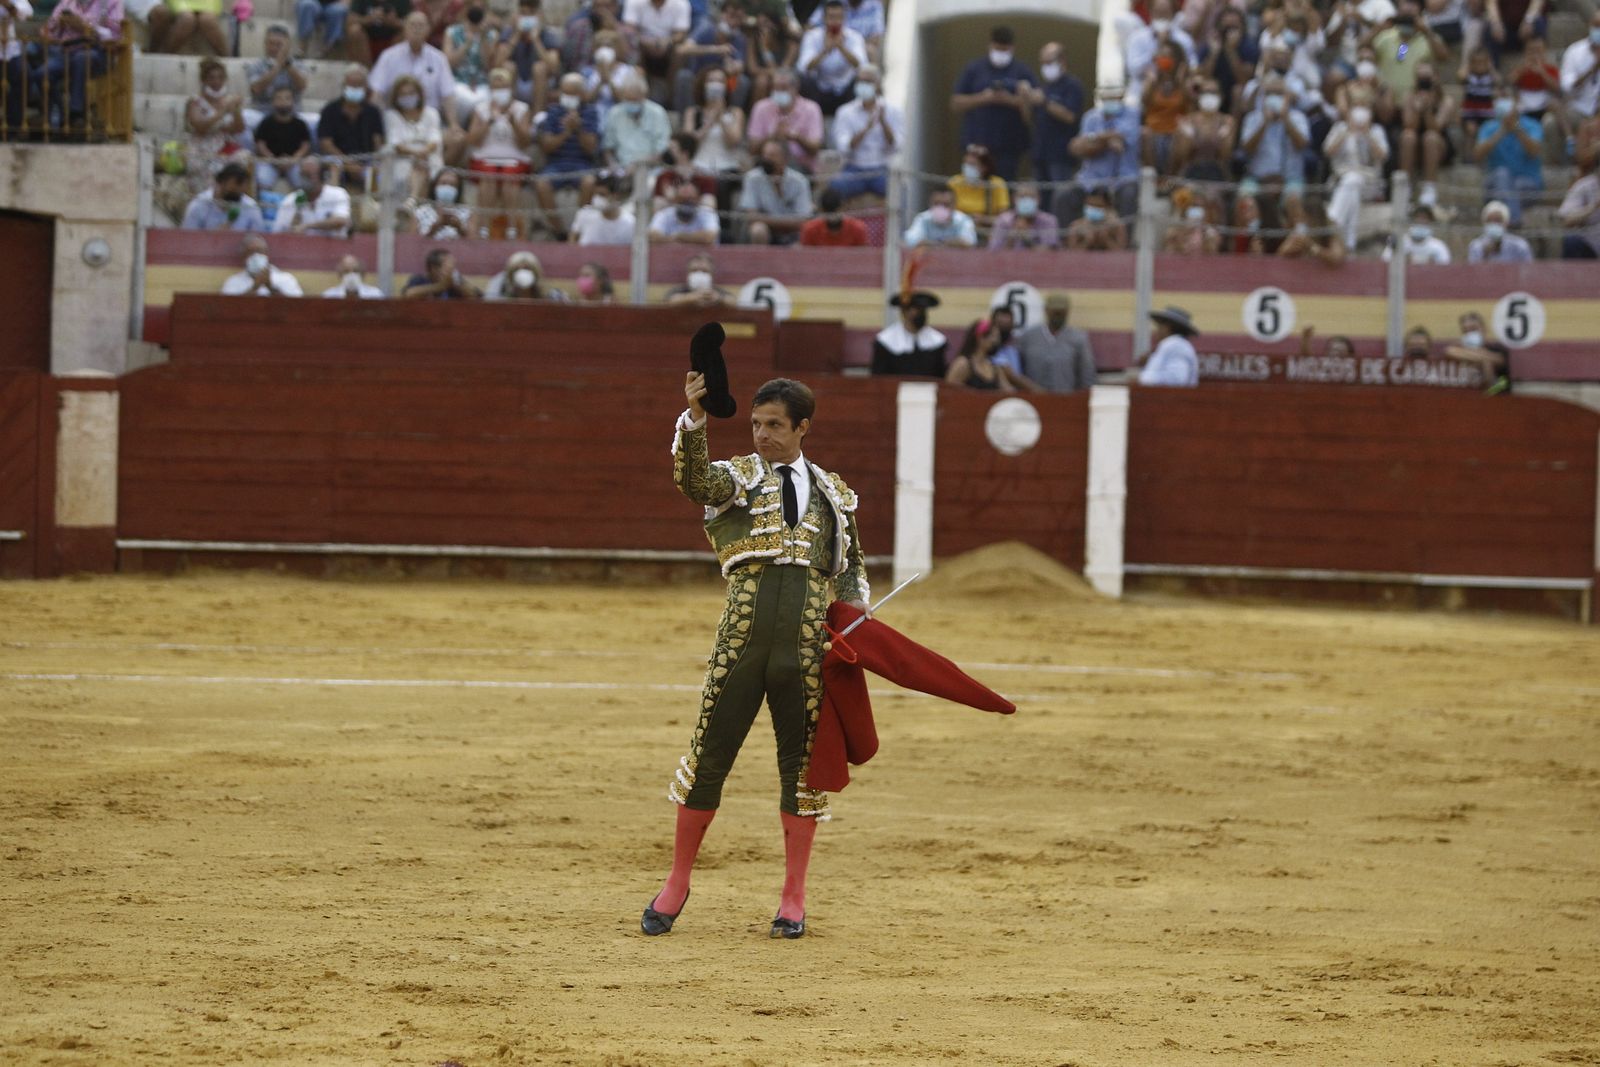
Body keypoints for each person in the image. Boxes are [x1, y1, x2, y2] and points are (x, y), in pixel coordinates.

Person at [643, 375, 870, 941]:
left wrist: (858, 625)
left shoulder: (835, 494)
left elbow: (850, 572)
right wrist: (694, 419)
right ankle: (676, 882)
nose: (762, 435)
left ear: (802, 428)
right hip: (739, 646)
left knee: (802, 771)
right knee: (708, 756)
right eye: (755, 425)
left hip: (804, 652)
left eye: (774, 425)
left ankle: (793, 897)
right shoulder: (738, 477)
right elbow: (694, 479)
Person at [370, 12, 463, 165]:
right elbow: (377, 93)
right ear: (404, 28)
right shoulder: (388, 56)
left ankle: (436, 177)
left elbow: (448, 94)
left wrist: (453, 124)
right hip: (397, 119)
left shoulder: (439, 58)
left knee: (458, 140)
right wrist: (376, 124)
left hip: (428, 119)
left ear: (428, 29)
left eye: (421, 26)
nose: (417, 29)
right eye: (413, 25)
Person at [949, 25, 1035, 181]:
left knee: (1004, 188)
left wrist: (1010, 100)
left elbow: (1032, 112)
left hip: (1010, 146)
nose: (1001, 54)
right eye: (998, 49)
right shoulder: (974, 69)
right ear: (990, 45)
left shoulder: (1022, 72)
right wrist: (984, 98)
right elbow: (956, 103)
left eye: (1005, 50)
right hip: (977, 144)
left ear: (1012, 48)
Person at [465, 65, 534, 238]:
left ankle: (512, 227)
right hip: (486, 156)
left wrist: (513, 123)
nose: (499, 91)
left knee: (510, 177)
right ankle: (483, 226)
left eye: (503, 87)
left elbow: (526, 142)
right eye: (495, 88)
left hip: (513, 157)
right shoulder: (481, 109)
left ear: (510, 88)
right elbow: (472, 140)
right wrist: (488, 121)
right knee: (488, 176)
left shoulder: (522, 109)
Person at [533, 72, 603, 229]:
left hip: (582, 164)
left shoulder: (590, 112)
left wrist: (578, 129)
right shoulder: (553, 112)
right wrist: (565, 132)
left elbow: (591, 148)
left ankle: (578, 228)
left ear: (581, 94)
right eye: (565, 93)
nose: (567, 97)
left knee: (589, 182)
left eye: (572, 94)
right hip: (556, 164)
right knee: (541, 184)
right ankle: (558, 230)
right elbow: (546, 147)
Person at [827, 63, 900, 202]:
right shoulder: (845, 112)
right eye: (860, 81)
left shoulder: (893, 111)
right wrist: (866, 129)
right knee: (834, 190)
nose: (862, 84)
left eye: (868, 81)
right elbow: (844, 148)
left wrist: (883, 123)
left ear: (878, 84)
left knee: (899, 190)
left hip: (881, 169)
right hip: (854, 169)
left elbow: (896, 146)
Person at [1067, 85, 1140, 223]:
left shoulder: (1132, 114)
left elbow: (1122, 136)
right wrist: (1105, 140)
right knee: (1064, 196)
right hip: (1090, 178)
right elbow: (1078, 147)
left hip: (1123, 178)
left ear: (1121, 97)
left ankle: (1127, 241)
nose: (1111, 100)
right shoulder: (1090, 117)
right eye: (1107, 97)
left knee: (1128, 196)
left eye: (1114, 97)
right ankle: (1064, 239)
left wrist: (1093, 139)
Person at [1027, 41, 1084, 217]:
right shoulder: (1043, 86)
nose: (1046, 67)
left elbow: (1070, 116)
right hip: (1040, 152)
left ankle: (1059, 235)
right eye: (1042, 63)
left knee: (1061, 198)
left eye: (1049, 62)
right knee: (1040, 199)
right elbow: (1030, 119)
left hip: (1061, 154)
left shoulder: (1072, 86)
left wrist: (1045, 102)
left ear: (1062, 61)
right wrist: (1025, 100)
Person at [1324, 97, 1388, 250]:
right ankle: (1350, 241)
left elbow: (1383, 156)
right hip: (1341, 181)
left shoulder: (1376, 130)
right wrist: (1348, 131)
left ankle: (1333, 219)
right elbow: (1328, 151)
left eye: (1364, 106)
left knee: (1354, 180)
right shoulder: (1340, 128)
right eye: (1357, 106)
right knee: (1352, 184)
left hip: (1370, 183)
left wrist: (1366, 134)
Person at [1474, 87, 1543, 225]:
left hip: (1527, 185)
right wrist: (1502, 130)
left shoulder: (1532, 125)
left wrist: (1516, 128)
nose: (1502, 102)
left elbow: (1534, 151)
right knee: (1502, 174)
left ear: (1517, 102)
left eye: (1506, 98)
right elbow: (1477, 155)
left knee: (1512, 186)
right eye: (1499, 98)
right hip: (1494, 185)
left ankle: (1505, 219)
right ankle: (1514, 221)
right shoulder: (1488, 127)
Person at [1392, 60, 1454, 207]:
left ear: (1436, 77)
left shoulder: (1446, 100)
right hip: (1414, 145)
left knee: (1430, 137)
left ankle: (1429, 188)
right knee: (1408, 136)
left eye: (1428, 76)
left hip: (1438, 145)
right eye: (1421, 77)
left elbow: (1436, 128)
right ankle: (1404, 188)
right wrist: (1417, 109)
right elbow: (1409, 125)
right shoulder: (1409, 96)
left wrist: (1427, 110)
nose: (1424, 80)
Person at [671, 0, 748, 114]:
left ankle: (731, 117)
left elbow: (739, 67)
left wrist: (728, 61)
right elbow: (682, 50)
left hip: (723, 81)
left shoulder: (739, 39)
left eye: (738, 18)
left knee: (741, 81)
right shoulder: (706, 29)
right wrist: (715, 49)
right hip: (698, 77)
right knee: (684, 76)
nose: (734, 22)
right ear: (722, 15)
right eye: (731, 16)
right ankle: (685, 119)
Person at [1239, 73, 1309, 194]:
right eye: (1269, 93)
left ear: (1287, 96)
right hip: (1258, 178)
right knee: (1245, 197)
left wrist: (1286, 119)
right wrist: (1264, 123)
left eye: (1279, 93)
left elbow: (1302, 145)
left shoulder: (1298, 118)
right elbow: (1247, 149)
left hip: (1290, 179)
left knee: (1293, 201)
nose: (1274, 97)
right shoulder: (1253, 118)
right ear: (1262, 97)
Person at [319, 65, 387, 189]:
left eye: (358, 85)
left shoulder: (373, 112)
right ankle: (333, 202)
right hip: (338, 158)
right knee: (334, 166)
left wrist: (373, 162)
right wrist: (348, 163)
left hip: (365, 159)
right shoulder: (330, 110)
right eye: (351, 85)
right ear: (344, 86)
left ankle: (372, 204)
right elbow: (326, 143)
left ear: (366, 87)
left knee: (378, 171)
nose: (354, 88)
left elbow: (378, 142)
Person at [746, 68, 824, 172]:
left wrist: (796, 137)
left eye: (783, 88)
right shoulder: (761, 107)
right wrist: (773, 136)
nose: (778, 92)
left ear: (796, 88)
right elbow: (752, 149)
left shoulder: (811, 109)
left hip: (801, 166)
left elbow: (815, 149)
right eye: (775, 88)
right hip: (767, 166)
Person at [738, 138, 813, 245]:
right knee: (758, 229)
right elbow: (751, 216)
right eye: (764, 155)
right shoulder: (752, 178)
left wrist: (767, 219)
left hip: (792, 233)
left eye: (772, 156)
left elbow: (803, 220)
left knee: (803, 237)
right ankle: (760, 261)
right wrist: (786, 222)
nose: (766, 159)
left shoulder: (799, 181)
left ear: (785, 159)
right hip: (767, 231)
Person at [1017, 292, 1096, 393]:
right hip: (1034, 400)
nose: (1058, 315)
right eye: (1055, 312)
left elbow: (1087, 374)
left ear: (1067, 312)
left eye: (1061, 312)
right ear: (1046, 310)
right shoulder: (1028, 337)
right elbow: (1018, 371)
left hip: (1066, 399)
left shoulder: (1078, 338)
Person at [796, 0, 865, 116]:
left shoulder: (855, 37)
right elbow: (803, 67)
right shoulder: (812, 36)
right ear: (824, 18)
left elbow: (862, 66)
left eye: (839, 17)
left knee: (862, 82)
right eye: (831, 17)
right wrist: (824, 51)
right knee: (803, 81)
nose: (835, 21)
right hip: (819, 89)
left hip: (845, 90)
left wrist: (841, 48)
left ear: (844, 18)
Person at [385, 74, 446, 200]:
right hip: (403, 161)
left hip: (429, 159)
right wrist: (417, 153)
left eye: (411, 93)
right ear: (396, 97)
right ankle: (415, 202)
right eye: (403, 94)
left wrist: (422, 153)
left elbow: (434, 140)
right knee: (418, 167)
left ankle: (413, 201)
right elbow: (396, 144)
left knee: (422, 166)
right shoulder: (391, 115)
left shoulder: (431, 113)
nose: (408, 97)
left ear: (419, 94)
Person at [682, 66, 747, 181]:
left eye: (720, 81)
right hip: (698, 167)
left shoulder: (736, 112)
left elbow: (733, 141)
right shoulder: (692, 112)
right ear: (703, 85)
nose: (715, 85)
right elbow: (688, 144)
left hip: (727, 169)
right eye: (711, 81)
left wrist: (721, 116)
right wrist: (708, 124)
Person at [186, 58, 247, 176]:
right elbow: (200, 127)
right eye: (212, 78)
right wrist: (222, 112)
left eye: (220, 77)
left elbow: (238, 129)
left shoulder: (228, 100)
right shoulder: (195, 102)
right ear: (204, 80)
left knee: (243, 158)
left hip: (224, 146)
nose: (216, 82)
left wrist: (236, 110)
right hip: (202, 147)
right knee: (201, 166)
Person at [1140, 41, 1193, 176]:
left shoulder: (1185, 81)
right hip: (1154, 129)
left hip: (1176, 130)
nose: (1164, 59)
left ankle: (1171, 178)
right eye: (1161, 56)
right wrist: (1151, 82)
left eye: (1168, 56)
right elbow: (1144, 102)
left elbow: (1191, 107)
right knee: (1145, 133)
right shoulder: (1152, 80)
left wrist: (1181, 83)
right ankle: (1153, 177)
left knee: (1180, 135)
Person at [602, 72, 673, 170]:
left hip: (651, 168)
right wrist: (613, 165)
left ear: (644, 96)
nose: (631, 103)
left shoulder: (657, 112)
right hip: (621, 169)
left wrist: (638, 165)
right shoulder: (614, 113)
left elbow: (663, 150)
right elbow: (608, 148)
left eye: (635, 100)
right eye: (628, 99)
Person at [872, 289, 948, 377]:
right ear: (904, 311)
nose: (920, 313)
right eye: (916, 309)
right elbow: (878, 377)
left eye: (922, 309)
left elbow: (940, 376)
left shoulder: (937, 341)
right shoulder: (886, 341)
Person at [245, 26, 309, 130]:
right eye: (271, 43)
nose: (274, 48)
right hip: (262, 113)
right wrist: (277, 66)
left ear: (287, 46)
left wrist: (287, 65)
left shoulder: (298, 65)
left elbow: (302, 86)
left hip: (293, 114)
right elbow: (256, 88)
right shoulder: (255, 66)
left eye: (279, 45)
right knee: (246, 118)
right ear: (265, 44)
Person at [502, 0, 561, 113]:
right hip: (516, 82)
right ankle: (510, 114)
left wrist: (536, 40)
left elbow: (554, 68)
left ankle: (537, 116)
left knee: (540, 68)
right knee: (507, 66)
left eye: (531, 14)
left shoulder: (548, 34)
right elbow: (497, 63)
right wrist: (516, 36)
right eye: (523, 13)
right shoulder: (509, 33)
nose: (527, 17)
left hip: (539, 84)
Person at [946, 318, 1036, 391]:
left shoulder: (994, 367)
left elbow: (1008, 391)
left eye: (997, 338)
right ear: (981, 338)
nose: (996, 342)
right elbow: (950, 392)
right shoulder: (963, 364)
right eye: (993, 337)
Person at [623, 0, 690, 97]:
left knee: (680, 51)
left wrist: (667, 42)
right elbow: (629, 29)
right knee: (630, 45)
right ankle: (640, 93)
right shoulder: (634, 2)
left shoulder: (681, 3)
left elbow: (681, 33)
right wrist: (646, 42)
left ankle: (670, 95)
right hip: (642, 43)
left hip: (669, 45)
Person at [445, 0, 500, 120]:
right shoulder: (452, 31)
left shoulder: (491, 35)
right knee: (460, 97)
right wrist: (467, 44)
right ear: (466, 9)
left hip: (482, 84)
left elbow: (488, 66)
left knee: (484, 102)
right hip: (457, 81)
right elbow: (448, 64)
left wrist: (483, 38)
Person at [254, 86, 314, 193]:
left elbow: (305, 146)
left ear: (292, 102)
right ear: (273, 102)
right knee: (262, 180)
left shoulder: (300, 124)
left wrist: (292, 160)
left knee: (303, 182)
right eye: (279, 98)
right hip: (270, 162)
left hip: (293, 162)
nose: (283, 102)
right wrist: (274, 160)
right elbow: (260, 145)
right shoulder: (266, 123)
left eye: (287, 98)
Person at [273, 158, 354, 237]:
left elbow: (341, 221)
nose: (304, 180)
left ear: (322, 177)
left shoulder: (337, 194)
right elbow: (278, 232)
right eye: (302, 175)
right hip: (302, 248)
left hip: (336, 248)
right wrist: (295, 222)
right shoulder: (291, 199)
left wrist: (307, 226)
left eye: (308, 175)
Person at [1126, 0, 1198, 84]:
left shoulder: (1184, 39)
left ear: (1173, 13)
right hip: (1141, 91)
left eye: (1165, 13)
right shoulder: (1137, 38)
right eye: (1158, 12)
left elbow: (1193, 66)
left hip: (1176, 91)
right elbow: (1132, 70)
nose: (1161, 17)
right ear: (1150, 11)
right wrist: (1154, 54)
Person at [182, 161, 267, 231]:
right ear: (221, 182)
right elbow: (187, 239)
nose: (241, 190)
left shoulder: (250, 207)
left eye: (244, 185)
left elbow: (258, 237)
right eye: (237, 183)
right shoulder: (199, 204)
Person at [1443, 310, 1512, 393]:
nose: (1471, 334)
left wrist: (1481, 355)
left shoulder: (1497, 349)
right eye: (1466, 331)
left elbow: (1497, 361)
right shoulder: (1458, 349)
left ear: (1483, 328)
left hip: (1497, 395)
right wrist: (1480, 357)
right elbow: (1449, 351)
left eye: (1474, 329)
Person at [948, 144, 1010, 228]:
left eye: (972, 165)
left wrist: (985, 219)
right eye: (966, 164)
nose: (967, 168)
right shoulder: (955, 182)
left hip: (986, 229)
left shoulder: (997, 184)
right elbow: (947, 211)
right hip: (959, 227)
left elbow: (1006, 219)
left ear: (984, 167)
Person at [1136, 306, 1199, 387]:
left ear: (1167, 327)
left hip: (1173, 398)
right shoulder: (1177, 345)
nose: (1156, 331)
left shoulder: (1175, 345)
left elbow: (1177, 379)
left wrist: (1140, 379)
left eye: (1159, 326)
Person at [220, 235, 303, 296]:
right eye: (251, 252)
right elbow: (229, 309)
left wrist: (270, 287)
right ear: (243, 257)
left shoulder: (286, 278)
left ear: (266, 254)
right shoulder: (233, 282)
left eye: (260, 251)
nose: (256, 256)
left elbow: (297, 307)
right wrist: (254, 288)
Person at [1559, 13, 1600, 133]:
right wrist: (1592, 69)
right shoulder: (1574, 51)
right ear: (1590, 26)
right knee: (1551, 122)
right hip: (1580, 109)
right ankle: (1570, 142)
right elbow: (1567, 87)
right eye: (1596, 26)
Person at [988, 182, 1059, 250]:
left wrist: (1028, 241)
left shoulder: (1049, 220)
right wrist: (1011, 238)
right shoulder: (1002, 220)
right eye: (1022, 197)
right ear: (1013, 199)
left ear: (1039, 199)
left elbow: (1050, 253)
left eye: (1031, 197)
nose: (1027, 200)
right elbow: (994, 253)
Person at [1557, 147, 1600, 259]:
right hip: (1591, 243)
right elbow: (1567, 220)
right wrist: (1594, 207)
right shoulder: (1584, 186)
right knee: (1572, 241)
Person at [902, 188, 978, 248]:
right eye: (936, 203)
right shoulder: (922, 219)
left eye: (946, 204)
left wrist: (933, 244)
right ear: (930, 204)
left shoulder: (964, 220)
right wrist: (947, 244)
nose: (941, 208)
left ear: (954, 206)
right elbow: (911, 241)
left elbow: (969, 243)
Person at [570, 177, 637, 244]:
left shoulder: (631, 223)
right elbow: (572, 240)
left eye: (602, 195)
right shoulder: (584, 214)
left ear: (615, 196)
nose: (597, 199)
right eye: (595, 194)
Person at [409, 168, 473, 238]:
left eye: (452, 185)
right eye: (443, 183)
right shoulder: (420, 212)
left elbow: (474, 244)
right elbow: (413, 243)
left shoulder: (466, 213)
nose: (447, 187)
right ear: (434, 186)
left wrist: (459, 228)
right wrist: (436, 227)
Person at [651, 181, 721, 244]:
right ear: (675, 200)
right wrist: (695, 240)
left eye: (690, 199)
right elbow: (653, 236)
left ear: (697, 199)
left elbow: (710, 237)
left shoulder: (707, 212)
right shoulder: (665, 213)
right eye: (682, 199)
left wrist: (679, 237)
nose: (686, 203)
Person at [345, 0, 410, 66]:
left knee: (407, 32)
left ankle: (396, 69)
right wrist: (368, 19)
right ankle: (363, 70)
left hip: (393, 40)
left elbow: (410, 21)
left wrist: (394, 21)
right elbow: (350, 20)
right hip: (366, 42)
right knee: (354, 30)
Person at [485, 250, 568, 300]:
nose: (522, 273)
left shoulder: (551, 297)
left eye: (527, 269)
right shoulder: (500, 295)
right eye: (517, 269)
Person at [1467, 199, 1534, 261]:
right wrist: (1485, 255)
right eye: (1489, 220)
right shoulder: (1476, 246)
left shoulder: (1520, 246)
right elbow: (1474, 272)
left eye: (1498, 220)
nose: (1493, 224)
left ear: (1506, 223)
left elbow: (1528, 271)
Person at [402, 247, 482, 298]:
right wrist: (440, 286)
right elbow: (408, 294)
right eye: (449, 267)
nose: (453, 271)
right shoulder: (420, 279)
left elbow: (476, 295)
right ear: (434, 268)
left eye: (454, 267)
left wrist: (458, 286)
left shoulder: (455, 280)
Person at [1383, 204, 1452, 263]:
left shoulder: (1438, 247)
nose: (1421, 222)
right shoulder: (1398, 243)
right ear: (1411, 221)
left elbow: (1446, 268)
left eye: (1424, 219)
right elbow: (1385, 261)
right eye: (1418, 218)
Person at [1065, 185, 1128, 250]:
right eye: (1090, 205)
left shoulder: (1118, 227)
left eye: (1098, 206)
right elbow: (1071, 255)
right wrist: (1086, 242)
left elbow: (1122, 254)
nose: (1093, 209)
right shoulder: (1076, 226)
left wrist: (1107, 240)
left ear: (1107, 207)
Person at [799, 188, 868, 246]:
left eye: (835, 212)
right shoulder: (810, 229)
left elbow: (864, 257)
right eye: (828, 212)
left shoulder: (858, 228)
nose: (832, 217)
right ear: (821, 210)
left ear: (843, 207)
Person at [663, 252, 735, 306]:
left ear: (712, 274)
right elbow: (669, 301)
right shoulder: (680, 289)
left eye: (704, 271)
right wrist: (691, 297)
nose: (699, 274)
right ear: (688, 273)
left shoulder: (716, 290)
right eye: (694, 270)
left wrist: (718, 298)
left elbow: (733, 301)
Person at [322, 254, 388, 298]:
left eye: (355, 271)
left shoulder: (375, 294)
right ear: (340, 274)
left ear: (362, 273)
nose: (351, 274)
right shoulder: (329, 295)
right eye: (346, 271)